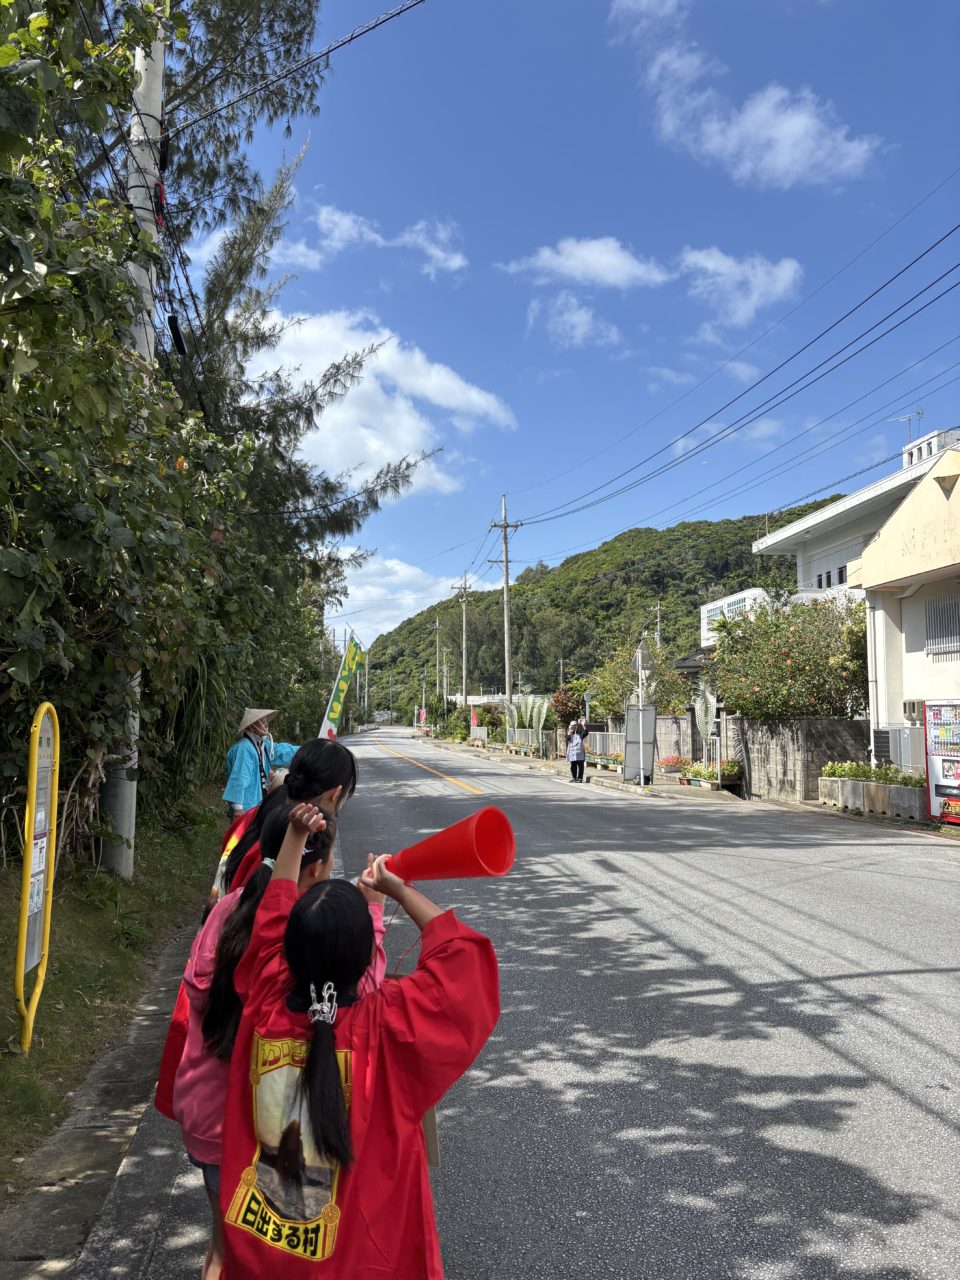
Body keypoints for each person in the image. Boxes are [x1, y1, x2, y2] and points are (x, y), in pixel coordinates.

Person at [220, 803, 499, 1278]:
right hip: (367, 1261)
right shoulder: (387, 1026)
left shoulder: (264, 999)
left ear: (288, 950)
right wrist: (398, 889)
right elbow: (463, 962)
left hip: (265, 1255)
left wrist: (293, 837)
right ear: (368, 954)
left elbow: (273, 916)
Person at [172, 803, 386, 1280]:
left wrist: (294, 835)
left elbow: (212, 978)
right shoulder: (358, 1011)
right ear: (319, 866)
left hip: (209, 1115)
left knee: (225, 1247)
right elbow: (374, 983)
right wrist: (377, 907)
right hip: (267, 1138)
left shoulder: (239, 928)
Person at [155, 740, 360, 1123]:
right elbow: (269, 983)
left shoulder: (260, 817)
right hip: (236, 1075)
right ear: (336, 794)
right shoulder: (277, 872)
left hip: (203, 1063)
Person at [223, 709, 299, 819]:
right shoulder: (244, 748)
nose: (266, 724)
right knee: (238, 836)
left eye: (265, 722)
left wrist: (306, 750)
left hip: (256, 803)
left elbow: (281, 751)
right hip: (244, 806)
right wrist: (238, 808)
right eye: (262, 722)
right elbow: (239, 777)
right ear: (252, 727)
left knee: (250, 835)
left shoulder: (262, 745)